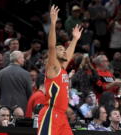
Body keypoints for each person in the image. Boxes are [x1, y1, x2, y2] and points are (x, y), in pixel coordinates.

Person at [38, 5, 82, 135]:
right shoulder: (53, 67)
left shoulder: (62, 68)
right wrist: (53, 23)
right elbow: (51, 46)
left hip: (61, 115)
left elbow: (68, 55)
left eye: (64, 49)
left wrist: (74, 39)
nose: (64, 51)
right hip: (51, 113)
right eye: (61, 49)